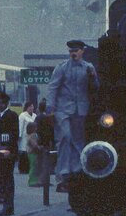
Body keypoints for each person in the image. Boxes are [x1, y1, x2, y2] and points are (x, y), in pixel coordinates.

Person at [46, 39, 99, 192]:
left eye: (76, 51)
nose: (73, 53)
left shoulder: (88, 67)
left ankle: (77, 170)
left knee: (78, 140)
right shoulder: (61, 68)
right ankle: (63, 172)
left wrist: (93, 77)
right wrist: (50, 109)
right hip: (63, 109)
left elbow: (95, 88)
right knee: (65, 137)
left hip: (80, 109)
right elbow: (53, 87)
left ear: (82, 51)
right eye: (71, 51)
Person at [0, 91, 18, 216]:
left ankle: (8, 207)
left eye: (1, 103)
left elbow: (14, 134)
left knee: (7, 179)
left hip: (7, 151)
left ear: (6, 103)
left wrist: (10, 151)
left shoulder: (11, 115)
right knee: (2, 178)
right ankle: (6, 206)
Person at [17, 99, 37, 174]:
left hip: (32, 137)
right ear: (27, 107)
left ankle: (29, 168)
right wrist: (19, 136)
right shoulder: (22, 115)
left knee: (31, 153)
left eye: (32, 106)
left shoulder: (35, 115)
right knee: (24, 153)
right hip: (24, 137)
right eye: (30, 106)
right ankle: (22, 169)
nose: (32, 108)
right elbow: (20, 126)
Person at [25, 121, 43, 187]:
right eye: (35, 127)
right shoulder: (33, 135)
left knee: (34, 167)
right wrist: (39, 147)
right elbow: (34, 144)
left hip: (31, 153)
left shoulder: (29, 135)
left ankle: (35, 180)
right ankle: (32, 181)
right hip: (33, 153)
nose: (36, 128)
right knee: (33, 167)